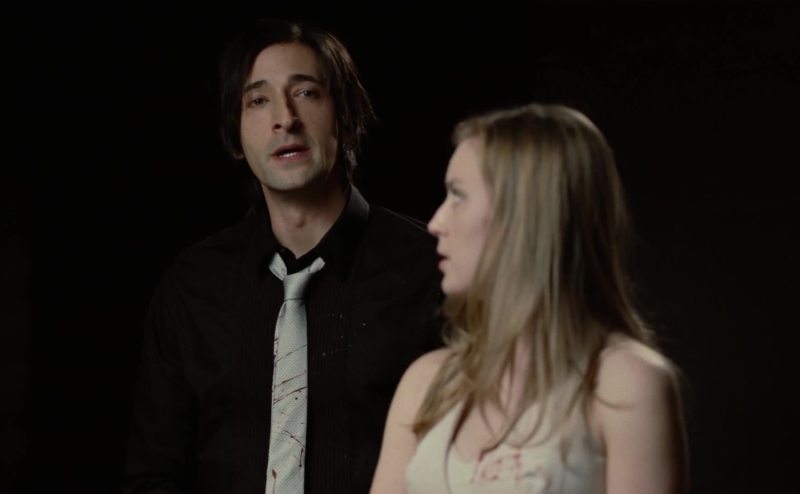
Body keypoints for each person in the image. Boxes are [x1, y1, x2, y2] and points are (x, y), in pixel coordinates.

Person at [122, 18, 442, 494]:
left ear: (346, 115)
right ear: (235, 135)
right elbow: (153, 475)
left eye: (306, 93)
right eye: (258, 100)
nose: (285, 118)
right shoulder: (192, 287)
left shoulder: (431, 270)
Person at [370, 103, 688, 493]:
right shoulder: (426, 383)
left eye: (458, 195)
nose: (435, 223)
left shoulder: (625, 384)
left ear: (522, 214)